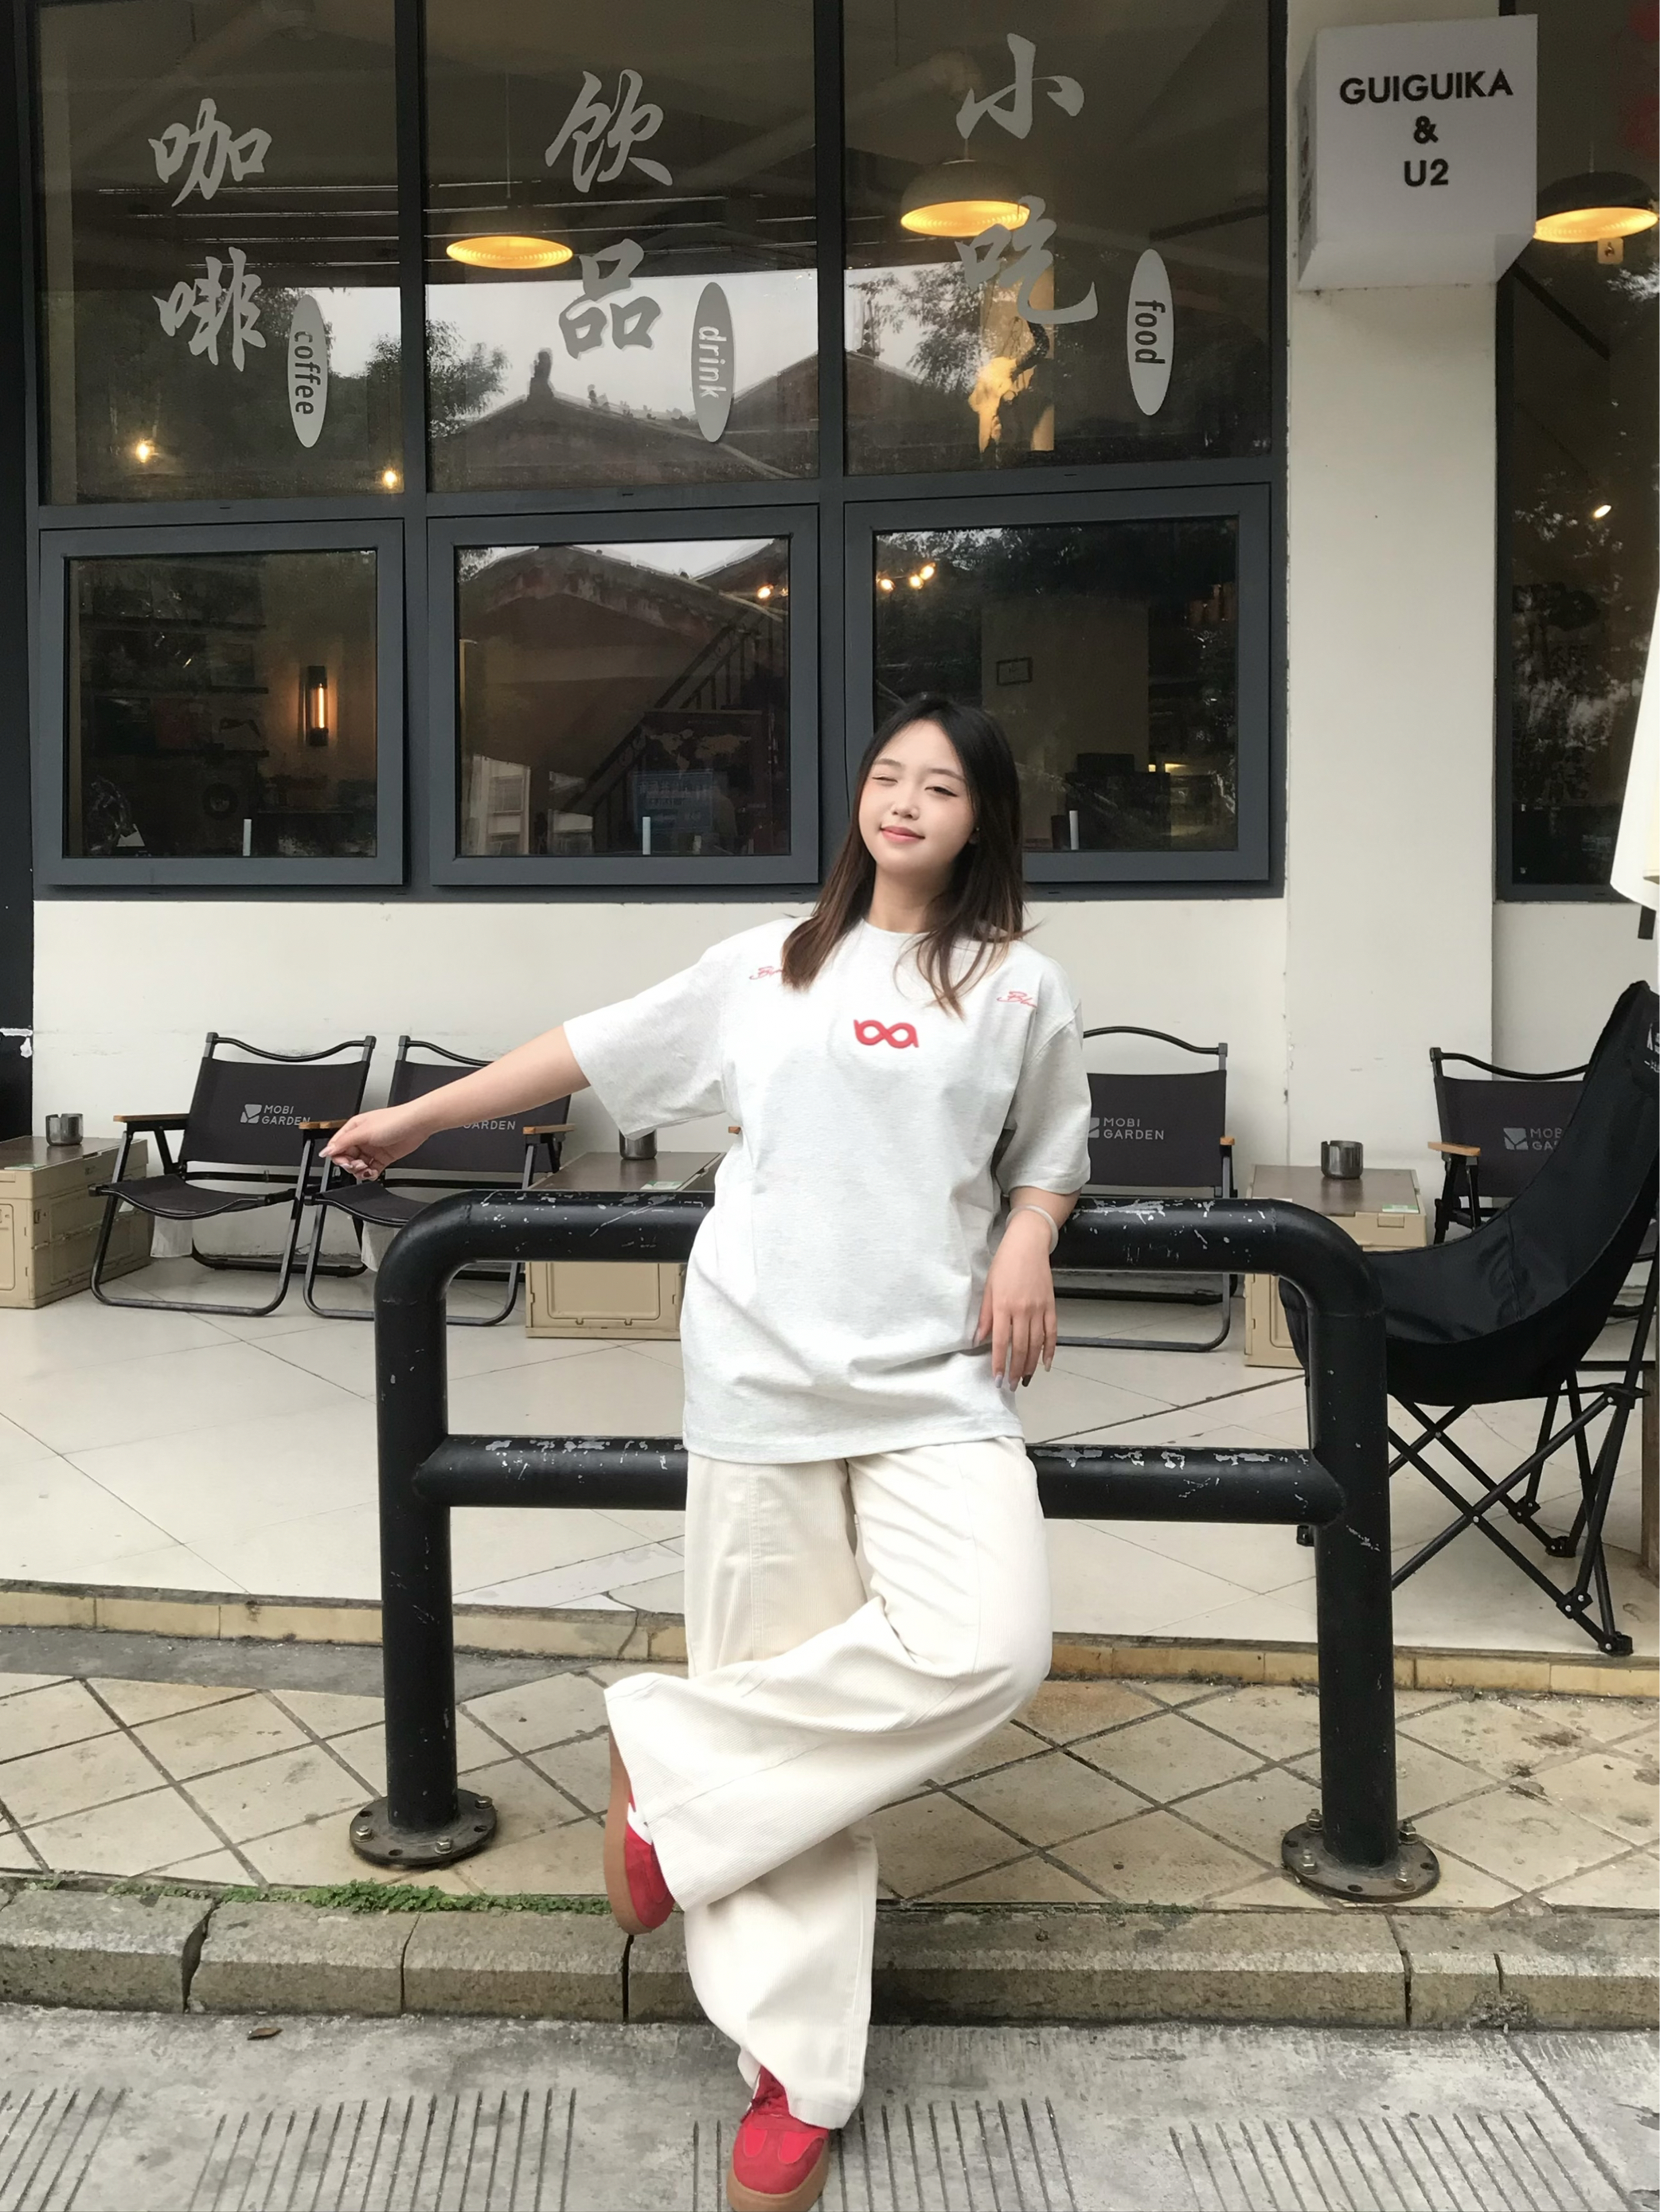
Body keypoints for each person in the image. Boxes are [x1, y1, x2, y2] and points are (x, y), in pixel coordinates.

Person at [323, 694, 1089, 2212]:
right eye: (887, 774)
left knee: (991, 1644)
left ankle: (668, 1767)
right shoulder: (768, 962)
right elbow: (590, 1046)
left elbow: (1050, 1147)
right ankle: (792, 2072)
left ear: (980, 820)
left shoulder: (1018, 984)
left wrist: (1029, 1235)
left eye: (940, 786)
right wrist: (419, 1117)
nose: (903, 800)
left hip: (934, 1381)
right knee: (787, 1715)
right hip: (758, 1375)